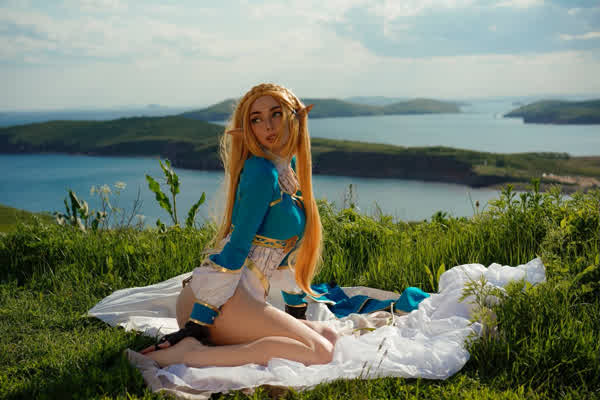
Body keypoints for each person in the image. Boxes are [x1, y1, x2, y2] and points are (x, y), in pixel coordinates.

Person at [140, 83, 338, 368]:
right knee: (322, 353)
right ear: (248, 128)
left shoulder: (289, 170)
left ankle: (216, 345)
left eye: (276, 114)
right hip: (219, 299)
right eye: (256, 119)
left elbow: (286, 259)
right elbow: (237, 247)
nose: (267, 126)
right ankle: (190, 352)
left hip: (245, 299)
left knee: (329, 336)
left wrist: (296, 315)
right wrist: (196, 324)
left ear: (294, 117)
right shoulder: (261, 171)